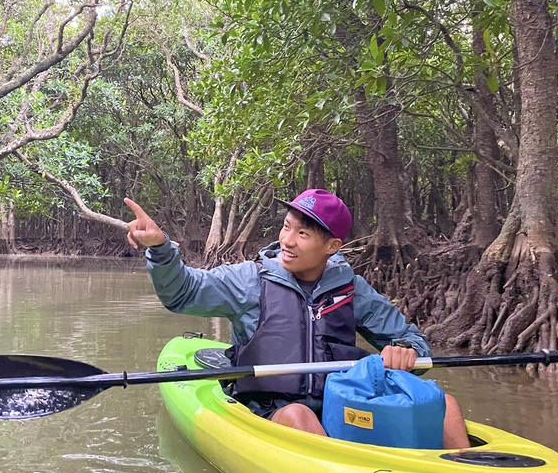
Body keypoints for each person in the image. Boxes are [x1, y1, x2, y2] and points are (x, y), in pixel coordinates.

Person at [125, 188, 471, 449]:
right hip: (269, 408)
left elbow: (414, 343)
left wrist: (405, 351)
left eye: (302, 234)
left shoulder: (352, 288)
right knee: (297, 415)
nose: (287, 241)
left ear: (332, 246)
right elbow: (183, 293)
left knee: (444, 403)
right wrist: (161, 248)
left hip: (341, 403)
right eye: (287, 227)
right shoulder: (250, 279)